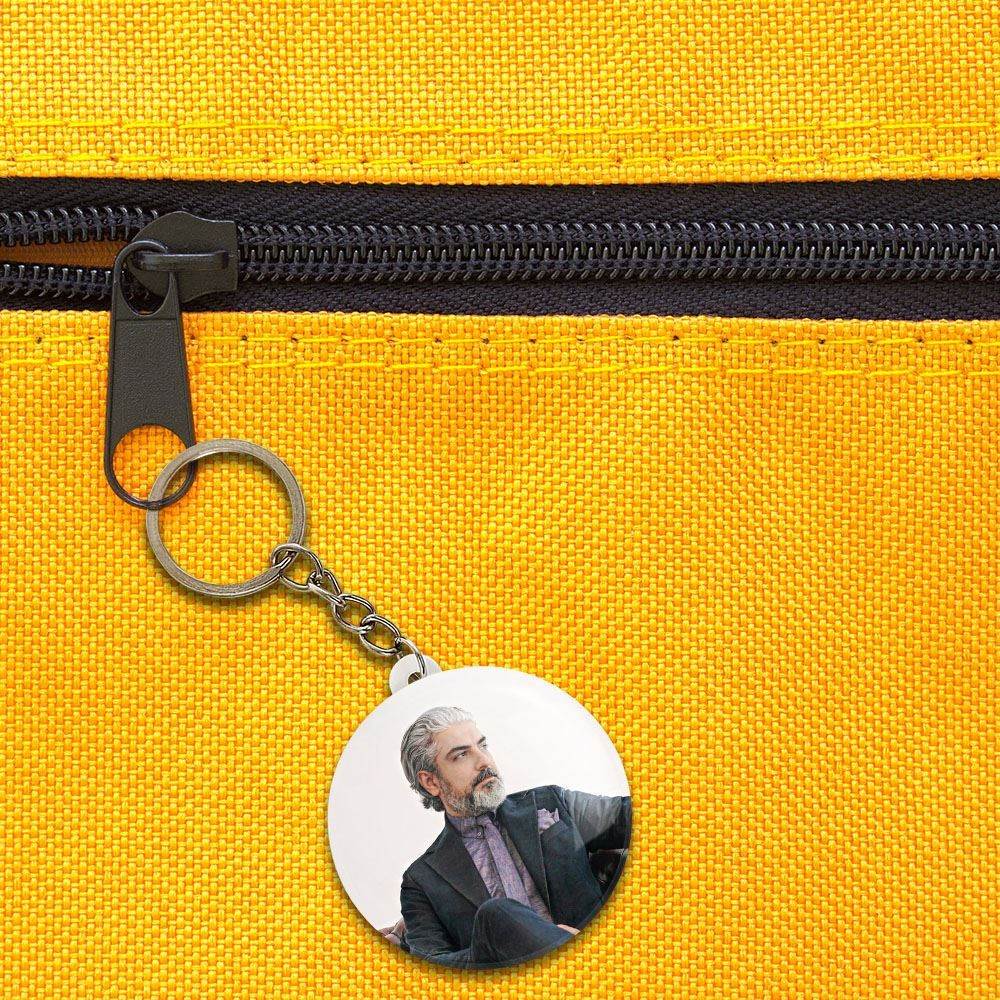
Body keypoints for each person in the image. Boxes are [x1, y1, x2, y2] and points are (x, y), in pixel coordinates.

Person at [398, 706, 631, 968]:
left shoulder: (551, 802)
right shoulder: (421, 880)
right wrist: (495, 944)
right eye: (461, 755)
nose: (484, 761)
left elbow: (632, 817)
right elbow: (432, 966)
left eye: (482, 745)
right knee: (497, 915)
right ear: (431, 782)